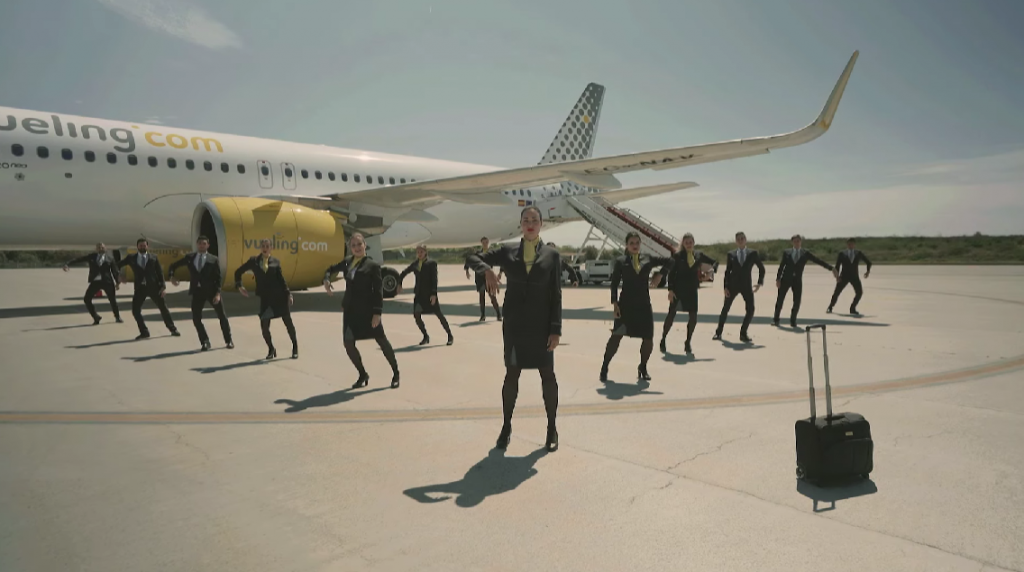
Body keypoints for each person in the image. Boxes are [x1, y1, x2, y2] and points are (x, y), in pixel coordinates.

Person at [465, 206, 562, 452]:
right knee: (512, 375)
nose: (530, 223)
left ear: (541, 224)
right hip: (516, 326)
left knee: (547, 376)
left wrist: (556, 329)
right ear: (520, 224)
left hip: (541, 327)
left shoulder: (552, 255)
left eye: (535, 220)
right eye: (526, 220)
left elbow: (556, 294)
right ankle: (506, 426)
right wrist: (486, 269)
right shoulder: (508, 251)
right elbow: (472, 257)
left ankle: (552, 427)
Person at [323, 232, 400, 388]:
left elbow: (378, 291)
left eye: (359, 244)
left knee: (382, 341)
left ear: (365, 245)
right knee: (348, 343)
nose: (357, 248)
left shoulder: (372, 266)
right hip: (350, 311)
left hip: (368, 311)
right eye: (353, 245)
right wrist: (326, 280)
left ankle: (396, 373)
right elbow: (330, 269)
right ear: (350, 248)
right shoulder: (347, 262)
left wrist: (377, 313)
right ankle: (362, 374)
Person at [601, 232, 672, 382]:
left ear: (640, 245)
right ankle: (605, 366)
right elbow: (614, 284)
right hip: (625, 305)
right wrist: (614, 304)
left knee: (648, 338)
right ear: (626, 245)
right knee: (616, 336)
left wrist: (660, 274)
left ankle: (643, 367)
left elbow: (671, 261)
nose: (634, 245)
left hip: (644, 305)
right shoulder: (620, 261)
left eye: (637, 243)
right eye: (631, 243)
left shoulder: (648, 258)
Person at [234, 238, 297, 359]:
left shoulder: (276, 262)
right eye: (263, 246)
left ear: (271, 248)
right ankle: (271, 349)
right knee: (264, 327)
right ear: (260, 248)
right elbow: (238, 272)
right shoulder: (254, 261)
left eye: (267, 246)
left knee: (288, 323)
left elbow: (281, 280)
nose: (265, 248)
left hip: (279, 297)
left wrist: (288, 294)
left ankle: (295, 347)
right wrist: (239, 286)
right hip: (265, 299)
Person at [168, 235, 233, 351]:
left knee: (222, 316)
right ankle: (205, 342)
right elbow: (173, 266)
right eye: (200, 243)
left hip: (212, 292)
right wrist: (171, 277)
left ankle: (228, 340)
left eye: (204, 243)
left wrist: (218, 294)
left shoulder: (213, 259)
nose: (202, 245)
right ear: (197, 244)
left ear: (208, 245)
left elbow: (218, 278)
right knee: (196, 318)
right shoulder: (190, 257)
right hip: (197, 292)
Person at [660, 233, 718, 354]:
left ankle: (688, 342)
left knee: (693, 318)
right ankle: (663, 338)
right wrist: (670, 290)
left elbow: (714, 263)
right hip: (678, 290)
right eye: (686, 242)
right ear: (683, 244)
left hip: (692, 290)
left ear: (693, 243)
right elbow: (671, 274)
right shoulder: (677, 256)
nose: (688, 244)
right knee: (671, 316)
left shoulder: (699, 255)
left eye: (690, 242)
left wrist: (711, 272)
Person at [117, 238, 179, 340]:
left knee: (163, 309)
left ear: (147, 246)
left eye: (144, 245)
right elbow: (116, 265)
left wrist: (163, 287)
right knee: (135, 311)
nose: (142, 247)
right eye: (140, 245)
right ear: (137, 247)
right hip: (140, 288)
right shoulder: (131, 257)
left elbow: (160, 273)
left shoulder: (153, 257)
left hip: (154, 287)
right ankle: (144, 332)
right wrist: (119, 276)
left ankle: (172, 329)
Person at [774, 234, 836, 328]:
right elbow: (782, 266)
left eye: (798, 241)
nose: (797, 243)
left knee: (797, 301)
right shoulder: (787, 252)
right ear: (792, 242)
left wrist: (831, 268)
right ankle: (776, 320)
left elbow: (817, 260)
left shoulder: (805, 253)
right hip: (786, 279)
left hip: (797, 280)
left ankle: (793, 321)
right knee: (780, 299)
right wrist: (778, 279)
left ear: (801, 242)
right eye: (795, 241)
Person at [713, 231, 765, 343]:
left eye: (742, 238)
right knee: (725, 309)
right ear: (736, 241)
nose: (741, 240)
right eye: (738, 239)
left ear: (745, 240)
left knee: (750, 309)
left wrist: (759, 282)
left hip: (746, 286)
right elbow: (727, 271)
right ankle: (718, 333)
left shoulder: (753, 253)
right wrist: (725, 287)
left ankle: (743, 333)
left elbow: (762, 268)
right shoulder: (731, 254)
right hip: (732, 286)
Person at [398, 244, 454, 346]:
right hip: (419, 295)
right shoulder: (415, 264)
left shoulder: (431, 263)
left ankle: (450, 335)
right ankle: (425, 336)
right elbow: (403, 273)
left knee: (439, 315)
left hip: (429, 295)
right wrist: (399, 284)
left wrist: (434, 294)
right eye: (418, 252)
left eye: (421, 252)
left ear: (425, 252)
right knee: (416, 315)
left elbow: (434, 279)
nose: (419, 254)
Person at [63, 242, 123, 325]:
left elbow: (114, 271)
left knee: (113, 300)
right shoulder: (92, 257)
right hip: (95, 282)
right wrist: (67, 264)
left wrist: (117, 282)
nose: (100, 249)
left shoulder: (110, 258)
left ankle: (117, 317)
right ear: (96, 249)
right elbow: (79, 259)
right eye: (99, 247)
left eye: (102, 247)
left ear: (105, 248)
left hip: (107, 282)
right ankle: (96, 317)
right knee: (87, 299)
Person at [828, 238, 872, 316]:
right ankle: (830, 307)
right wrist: (837, 276)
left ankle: (852, 308)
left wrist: (868, 271)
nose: (850, 245)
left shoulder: (858, 253)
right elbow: (837, 265)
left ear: (854, 244)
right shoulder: (842, 253)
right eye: (849, 244)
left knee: (859, 292)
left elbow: (868, 262)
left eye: (852, 244)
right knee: (837, 292)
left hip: (854, 276)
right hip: (844, 276)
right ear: (847, 244)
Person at [465, 237, 503, 321]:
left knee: (492, 296)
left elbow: (502, 262)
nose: (485, 243)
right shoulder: (478, 253)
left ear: (488, 242)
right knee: (481, 297)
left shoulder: (492, 253)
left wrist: (500, 272)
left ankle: (498, 314)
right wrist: (467, 271)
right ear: (481, 243)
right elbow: (469, 261)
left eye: (486, 242)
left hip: (489, 278)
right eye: (483, 242)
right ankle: (482, 315)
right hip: (479, 277)